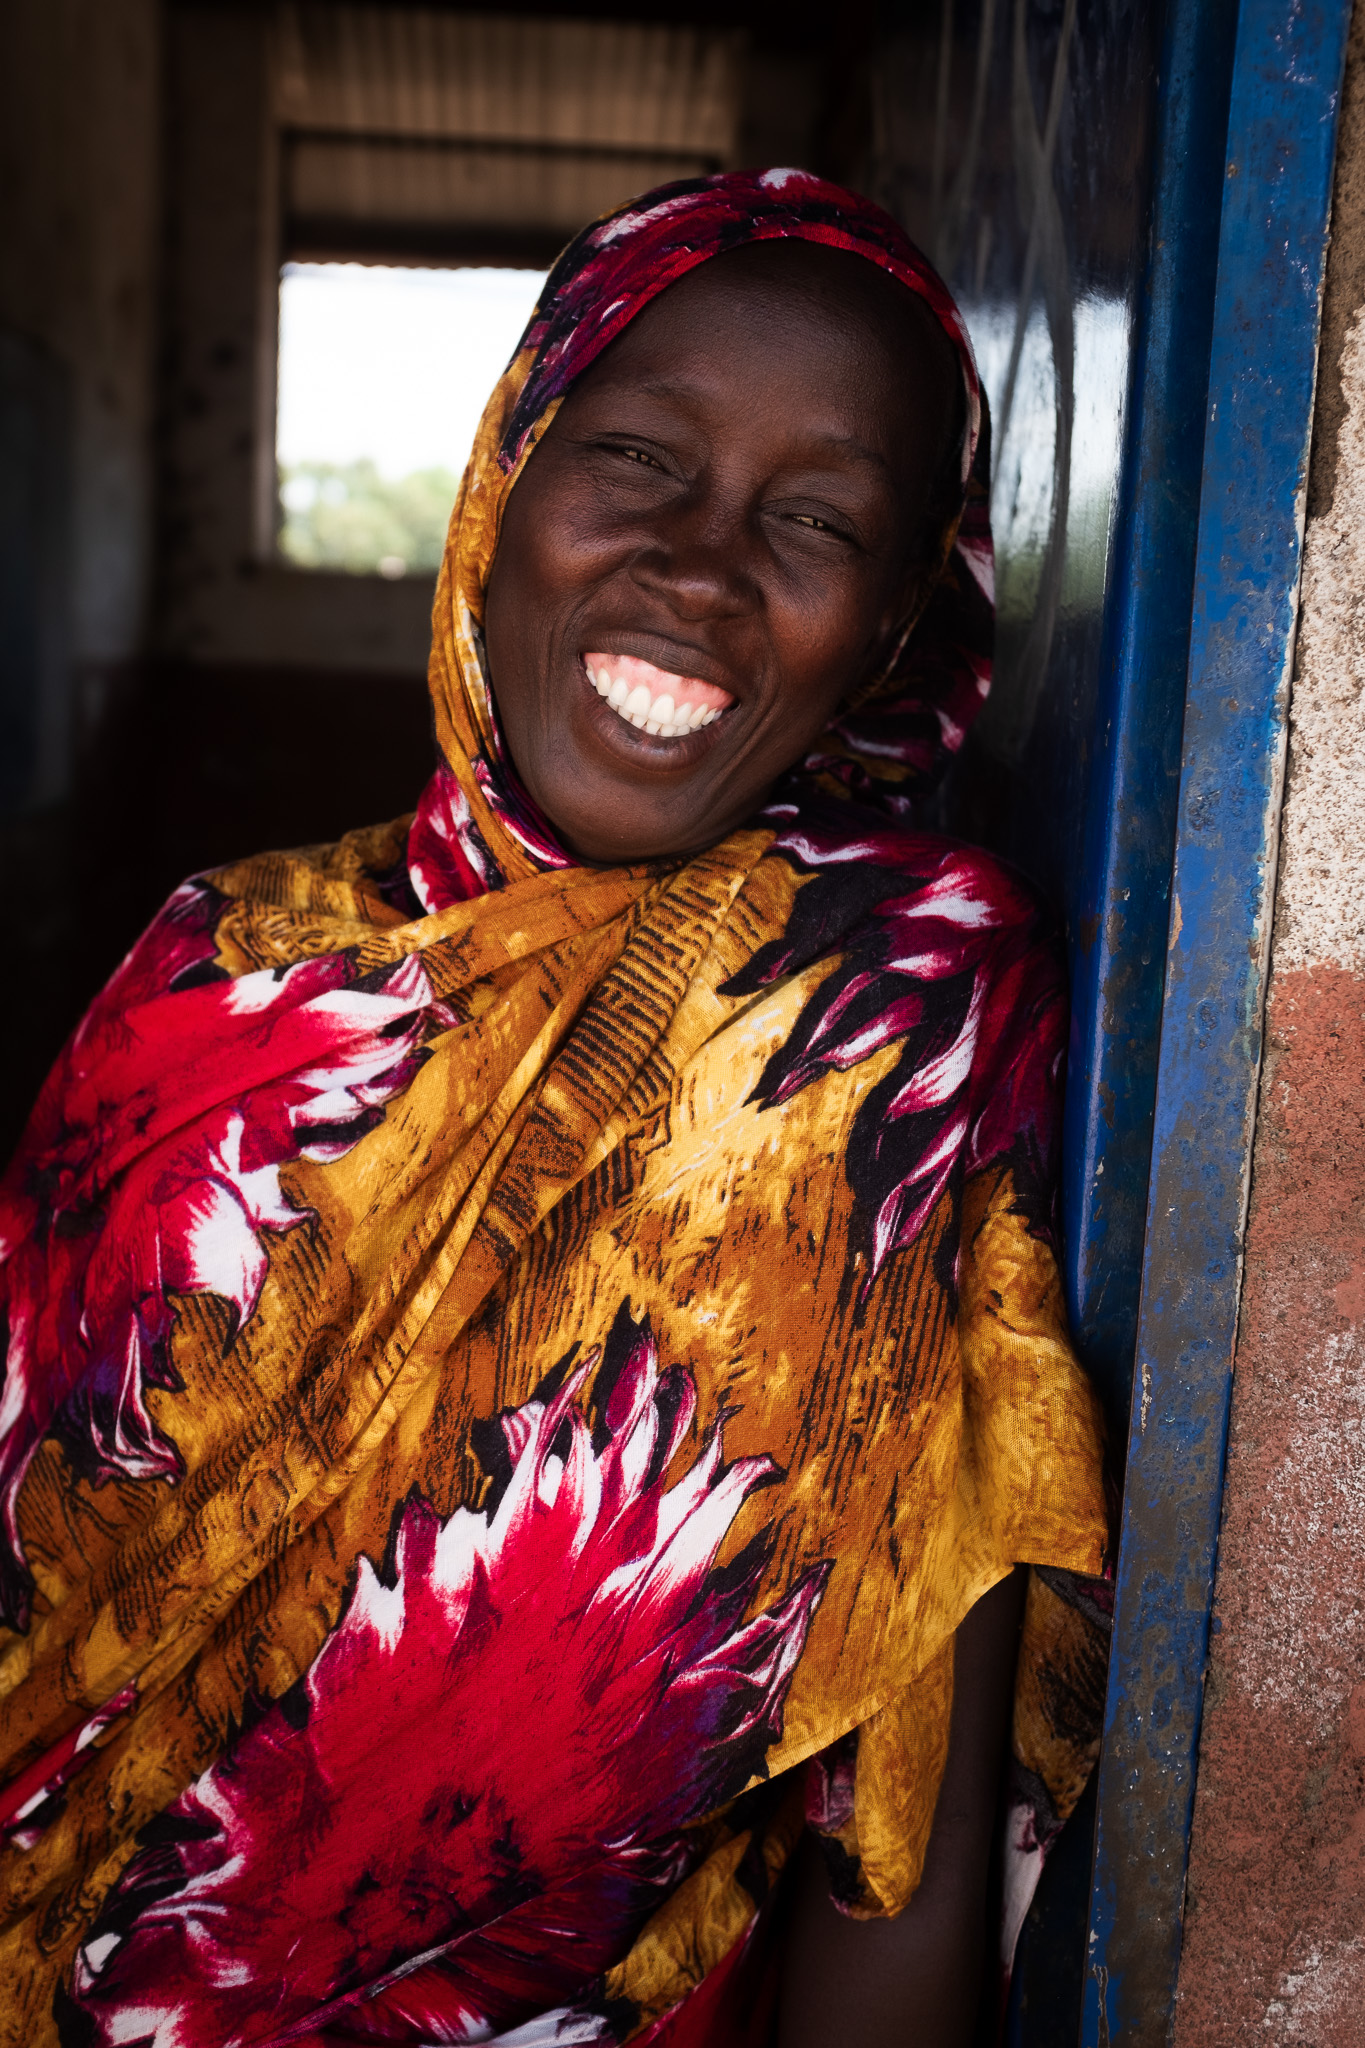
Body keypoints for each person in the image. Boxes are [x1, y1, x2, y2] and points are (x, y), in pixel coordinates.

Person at [0, 170, 1109, 2047]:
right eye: (638, 459)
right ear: (503, 483)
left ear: (900, 617)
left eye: (817, 517)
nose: (699, 567)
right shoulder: (216, 979)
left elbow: (893, 1783)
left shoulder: (883, 1026)